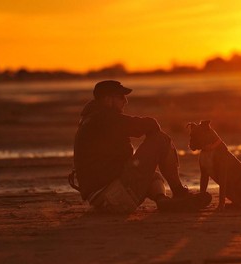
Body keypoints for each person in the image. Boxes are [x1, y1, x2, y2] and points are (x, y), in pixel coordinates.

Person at [73, 80, 211, 213]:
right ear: (108, 99)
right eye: (121, 97)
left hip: (103, 199)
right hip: (113, 196)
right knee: (161, 139)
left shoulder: (91, 118)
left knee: (153, 175)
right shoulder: (104, 118)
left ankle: (162, 201)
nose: (125, 101)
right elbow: (148, 125)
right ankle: (179, 192)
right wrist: (153, 142)